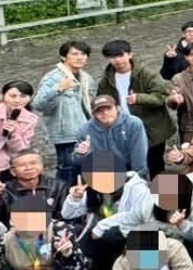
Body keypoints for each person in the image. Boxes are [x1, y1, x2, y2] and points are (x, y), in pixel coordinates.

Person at [98, 40, 173, 177]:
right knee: (131, 167)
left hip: (151, 128)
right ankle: (136, 195)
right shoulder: (107, 79)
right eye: (112, 57)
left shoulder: (146, 74)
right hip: (123, 128)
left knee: (155, 165)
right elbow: (101, 101)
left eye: (121, 55)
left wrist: (140, 98)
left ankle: (163, 197)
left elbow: (162, 97)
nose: (117, 60)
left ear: (130, 55)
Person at [33, 40, 94, 185]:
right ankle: (63, 202)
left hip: (85, 131)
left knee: (85, 169)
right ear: (63, 57)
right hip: (66, 134)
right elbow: (38, 104)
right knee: (67, 170)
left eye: (83, 54)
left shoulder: (86, 78)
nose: (80, 57)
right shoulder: (53, 77)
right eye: (75, 54)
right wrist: (58, 88)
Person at [0, 148, 88, 227]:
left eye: (33, 163)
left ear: (42, 166)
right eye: (22, 165)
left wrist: (76, 198)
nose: (29, 167)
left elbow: (65, 216)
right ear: (12, 171)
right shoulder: (5, 189)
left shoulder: (58, 185)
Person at [76, 95, 150, 180]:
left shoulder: (134, 124)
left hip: (129, 169)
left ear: (117, 108)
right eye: (99, 111)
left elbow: (139, 157)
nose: (105, 113)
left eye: (109, 108)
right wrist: (82, 154)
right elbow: (77, 162)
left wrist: (138, 180)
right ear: (94, 114)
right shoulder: (84, 130)